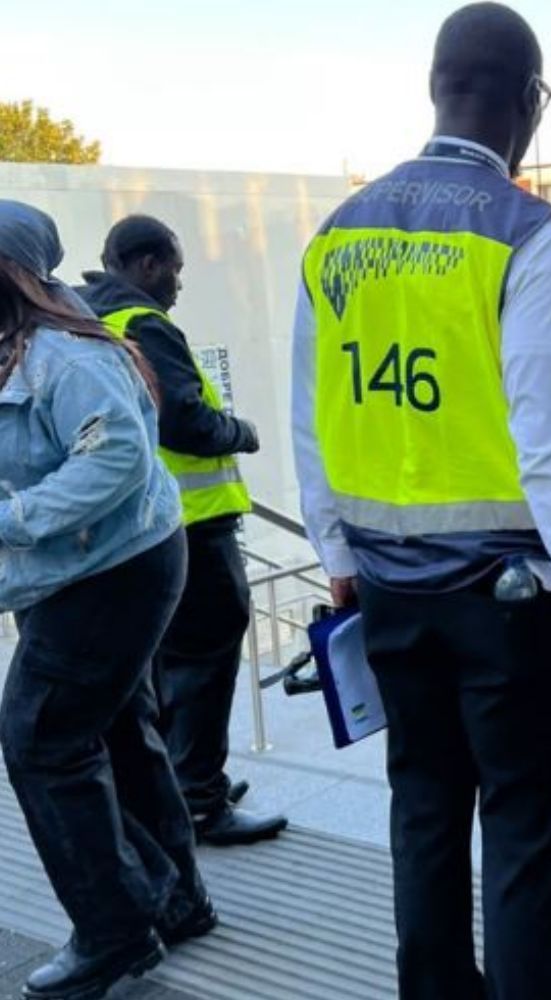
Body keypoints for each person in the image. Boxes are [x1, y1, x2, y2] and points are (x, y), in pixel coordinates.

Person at [292, 6, 551, 999]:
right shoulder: (529, 239)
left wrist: (339, 559)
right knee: (527, 837)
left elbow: (311, 419)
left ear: (436, 86)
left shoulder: (336, 236)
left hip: (386, 594)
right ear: (530, 102)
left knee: (425, 812)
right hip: (515, 604)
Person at [0, 201, 216, 1000]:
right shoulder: (22, 342)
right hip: (100, 566)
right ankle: (176, 899)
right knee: (117, 728)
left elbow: (117, 452)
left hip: (111, 572)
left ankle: (116, 933)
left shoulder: (63, 352)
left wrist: (13, 521)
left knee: (42, 738)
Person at [78, 215, 287, 846]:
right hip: (194, 525)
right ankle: (200, 799)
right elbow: (187, 422)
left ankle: (180, 782)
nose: (178, 282)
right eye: (174, 267)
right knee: (205, 661)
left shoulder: (89, 318)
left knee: (168, 665)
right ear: (145, 266)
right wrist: (241, 433)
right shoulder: (144, 324)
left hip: (143, 529)